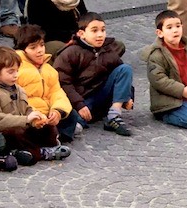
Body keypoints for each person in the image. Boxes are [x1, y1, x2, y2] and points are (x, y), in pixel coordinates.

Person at [0, 45, 72, 162]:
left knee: (48, 127)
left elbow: (26, 108)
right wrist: (26, 120)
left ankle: (43, 147)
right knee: (16, 132)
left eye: (17, 71)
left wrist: (35, 117)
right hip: (3, 131)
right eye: (10, 72)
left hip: (22, 125)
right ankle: (39, 153)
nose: (15, 75)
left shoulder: (18, 89)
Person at [52, 11, 134, 139]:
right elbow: (63, 82)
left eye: (103, 30)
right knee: (74, 125)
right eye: (94, 31)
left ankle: (114, 114)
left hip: (102, 95)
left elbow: (121, 76)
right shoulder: (71, 53)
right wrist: (79, 104)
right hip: (82, 99)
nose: (100, 35)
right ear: (82, 33)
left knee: (125, 69)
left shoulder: (108, 49)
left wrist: (128, 96)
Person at [139, 9, 187, 129]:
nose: (175, 30)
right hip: (171, 99)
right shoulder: (157, 55)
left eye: (178, 26)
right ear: (160, 33)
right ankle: (163, 114)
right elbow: (158, 80)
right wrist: (182, 90)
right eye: (169, 27)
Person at [9, 25, 75, 145]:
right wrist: (35, 114)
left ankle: (57, 134)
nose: (40, 50)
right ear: (23, 50)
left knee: (71, 114)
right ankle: (52, 138)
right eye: (33, 47)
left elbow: (57, 92)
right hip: (31, 115)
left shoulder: (48, 69)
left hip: (48, 112)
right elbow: (14, 99)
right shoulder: (16, 70)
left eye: (42, 45)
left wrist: (57, 111)